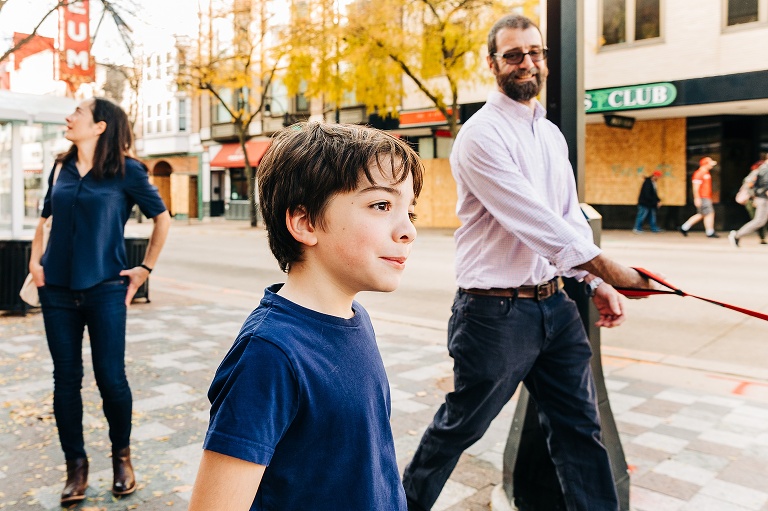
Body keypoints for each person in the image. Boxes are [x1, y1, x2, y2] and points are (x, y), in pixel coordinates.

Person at [401, 14, 659, 511]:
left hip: (555, 307)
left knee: (581, 431)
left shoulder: (551, 135)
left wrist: (594, 281)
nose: (528, 63)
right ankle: (401, 504)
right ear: (493, 62)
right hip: (494, 316)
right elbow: (536, 222)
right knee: (460, 428)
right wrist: (615, 272)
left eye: (535, 53)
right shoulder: (481, 136)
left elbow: (568, 216)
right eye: (514, 55)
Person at [188, 122, 423, 511]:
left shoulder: (356, 318)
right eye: (381, 205)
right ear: (305, 222)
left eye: (409, 211)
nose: (408, 231)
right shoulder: (270, 354)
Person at [28, 98, 170, 505]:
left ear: (101, 126)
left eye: (78, 113)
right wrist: (36, 262)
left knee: (111, 378)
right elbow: (45, 218)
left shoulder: (128, 171)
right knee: (65, 380)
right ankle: (76, 467)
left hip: (106, 287)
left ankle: (122, 459)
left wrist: (145, 269)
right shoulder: (61, 166)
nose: (69, 118)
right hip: (54, 288)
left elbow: (162, 217)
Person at [729, 160, 768, 247]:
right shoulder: (764, 169)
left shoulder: (762, 169)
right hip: (761, 199)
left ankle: (738, 235)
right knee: (759, 220)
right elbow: (764, 186)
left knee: (760, 220)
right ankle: (737, 235)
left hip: (760, 198)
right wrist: (753, 197)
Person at [678, 156, 719, 238]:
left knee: (703, 214)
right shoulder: (699, 173)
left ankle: (685, 227)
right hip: (703, 197)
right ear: (705, 164)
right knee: (709, 213)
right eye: (710, 164)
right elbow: (695, 187)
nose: (712, 166)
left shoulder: (706, 173)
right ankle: (710, 231)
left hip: (706, 196)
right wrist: (697, 198)